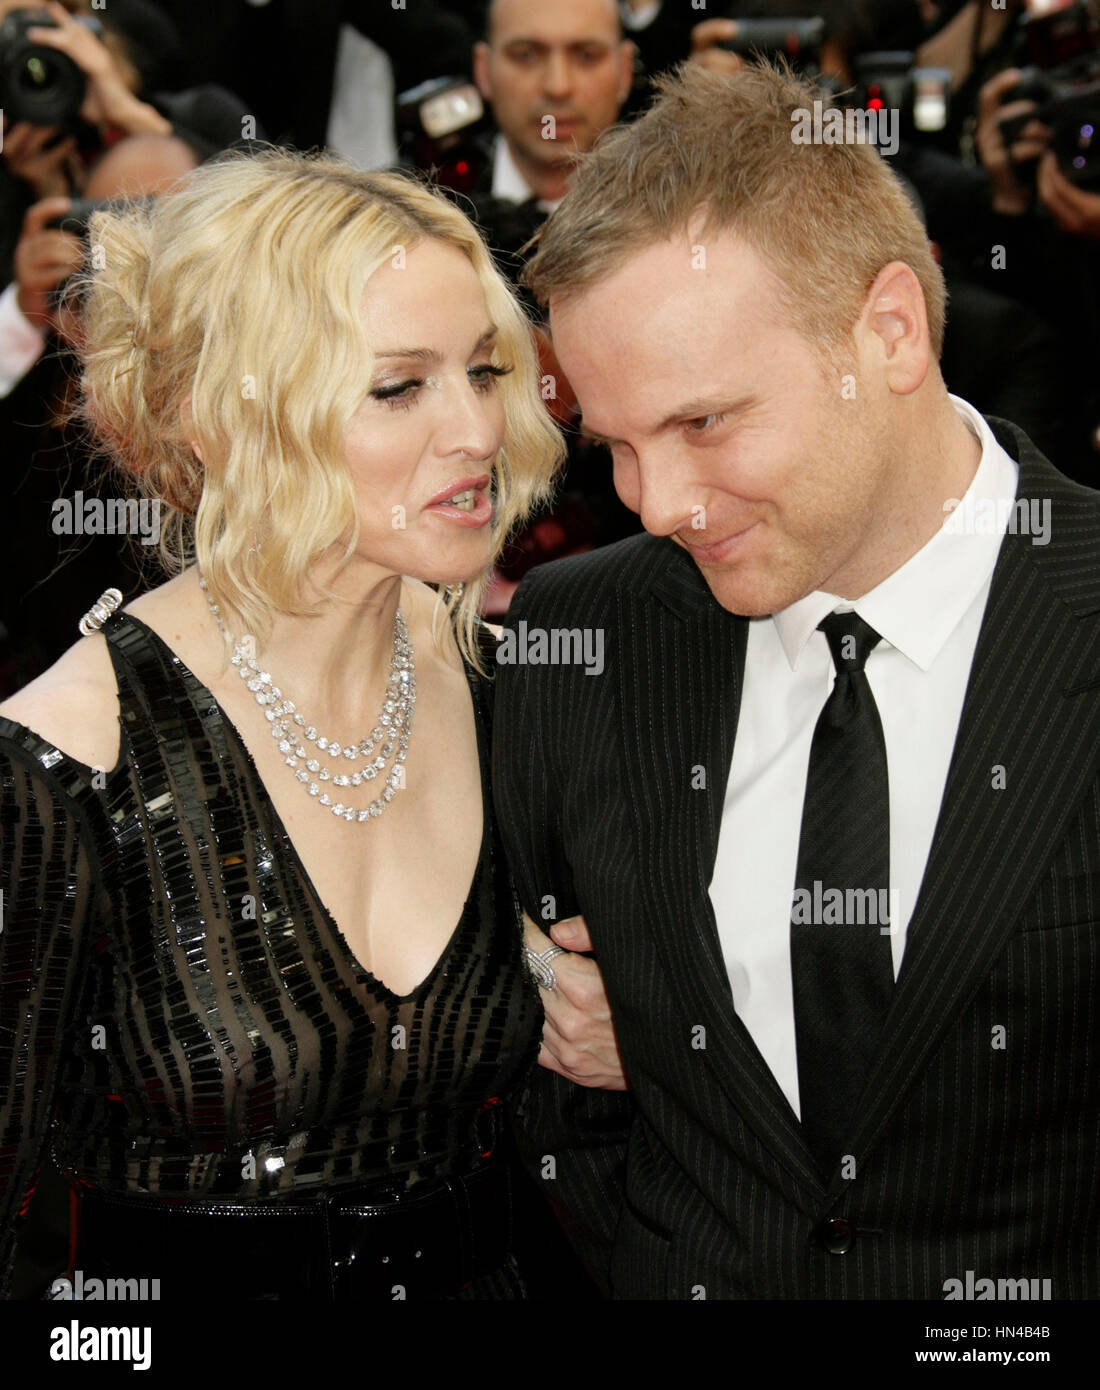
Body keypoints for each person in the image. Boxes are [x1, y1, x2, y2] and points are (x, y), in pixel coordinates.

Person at [493, 61, 1100, 1299]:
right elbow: (555, 1099)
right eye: (613, 446)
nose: (656, 505)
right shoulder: (576, 636)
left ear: (887, 331)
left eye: (705, 423)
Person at [0, 146, 570, 1300]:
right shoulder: (65, 757)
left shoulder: (515, 690)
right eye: (397, 386)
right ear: (227, 416)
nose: (476, 432)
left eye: (484, 369)